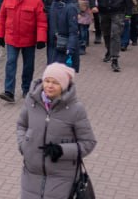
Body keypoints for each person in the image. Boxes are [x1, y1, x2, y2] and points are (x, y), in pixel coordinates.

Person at [15, 63, 96, 199]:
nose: (49, 86)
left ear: (63, 86)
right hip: (31, 173)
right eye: (47, 81)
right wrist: (24, 145)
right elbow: (22, 124)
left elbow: (88, 142)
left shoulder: (76, 109)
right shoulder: (32, 101)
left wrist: (62, 150)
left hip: (61, 177)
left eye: (55, 83)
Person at [0, 0, 47, 102]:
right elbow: (2, 17)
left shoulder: (36, 0)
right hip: (12, 39)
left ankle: (26, 89)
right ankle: (9, 91)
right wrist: (0, 35)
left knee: (28, 66)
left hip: (28, 40)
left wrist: (41, 39)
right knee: (10, 63)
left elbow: (41, 21)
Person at [89, 0, 129, 72]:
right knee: (106, 33)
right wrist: (92, 5)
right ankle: (108, 50)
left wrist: (129, 12)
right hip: (103, 8)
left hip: (118, 9)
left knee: (115, 34)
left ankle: (115, 59)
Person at [43, 0, 78, 69]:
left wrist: (70, 48)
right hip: (52, 45)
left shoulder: (70, 8)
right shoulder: (54, 4)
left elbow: (73, 31)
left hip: (63, 46)